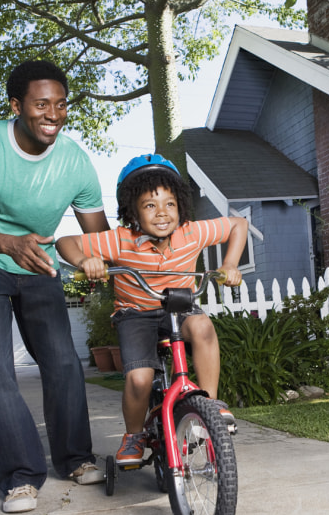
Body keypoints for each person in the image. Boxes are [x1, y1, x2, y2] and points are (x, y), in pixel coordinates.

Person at [0, 60, 110, 514]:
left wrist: (110, 257)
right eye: (41, 104)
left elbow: (97, 234)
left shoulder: (74, 160)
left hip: (38, 261)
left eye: (60, 104)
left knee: (61, 359)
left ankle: (75, 458)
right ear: (16, 106)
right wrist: (7, 244)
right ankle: (20, 476)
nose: (52, 114)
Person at [56, 154, 247, 465]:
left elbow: (238, 225)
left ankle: (210, 405)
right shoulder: (120, 241)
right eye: (150, 205)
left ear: (181, 206)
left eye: (170, 204)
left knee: (202, 327)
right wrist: (84, 260)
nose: (162, 213)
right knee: (140, 379)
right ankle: (133, 435)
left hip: (179, 307)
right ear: (133, 211)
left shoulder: (191, 232)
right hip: (136, 315)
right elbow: (65, 242)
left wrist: (229, 264)